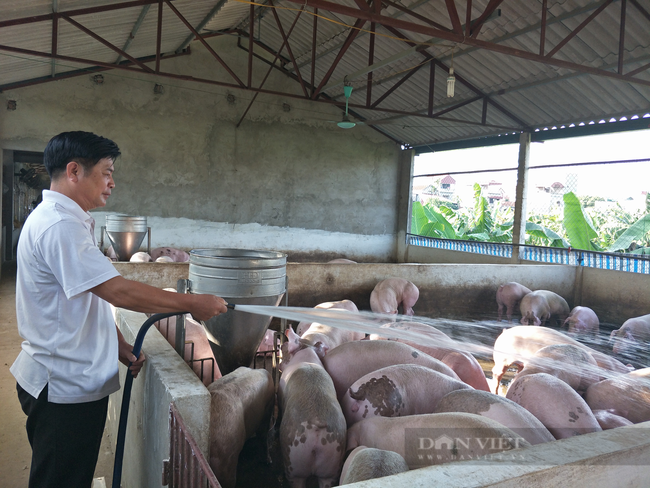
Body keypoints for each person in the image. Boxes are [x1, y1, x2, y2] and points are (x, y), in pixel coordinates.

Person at [10, 131, 228, 488]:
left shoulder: (68, 219)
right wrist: (192, 303)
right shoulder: (60, 225)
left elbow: (83, 295)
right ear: (74, 171)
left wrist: (115, 342)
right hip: (63, 389)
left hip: (67, 381)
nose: (113, 182)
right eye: (107, 171)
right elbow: (116, 290)